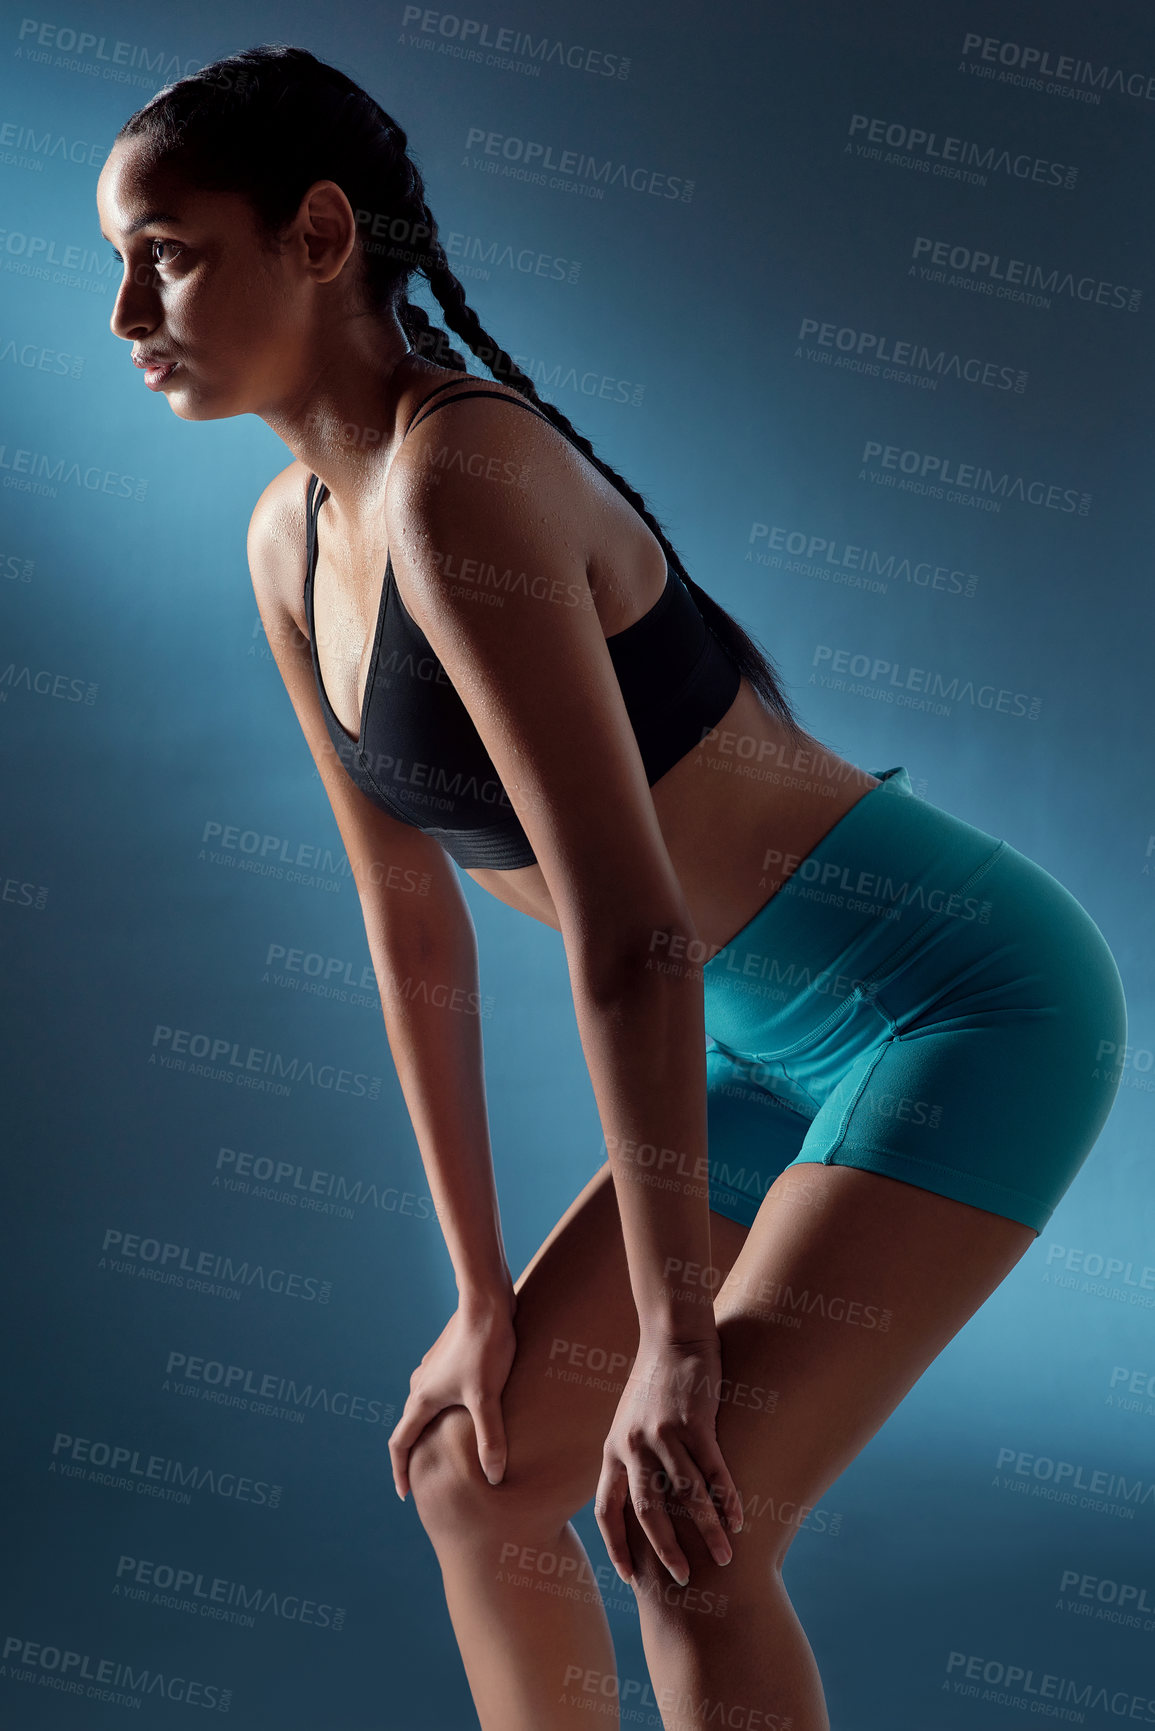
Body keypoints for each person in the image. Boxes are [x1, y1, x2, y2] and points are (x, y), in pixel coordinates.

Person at [95, 42, 1128, 1731]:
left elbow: (634, 933)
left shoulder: (461, 478)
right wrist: (487, 1295)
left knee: (687, 1528)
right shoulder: (290, 540)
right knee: (471, 1465)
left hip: (958, 1008)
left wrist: (672, 1341)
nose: (130, 310)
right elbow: (409, 916)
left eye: (172, 252)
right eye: (118, 264)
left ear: (321, 235)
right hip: (742, 1043)